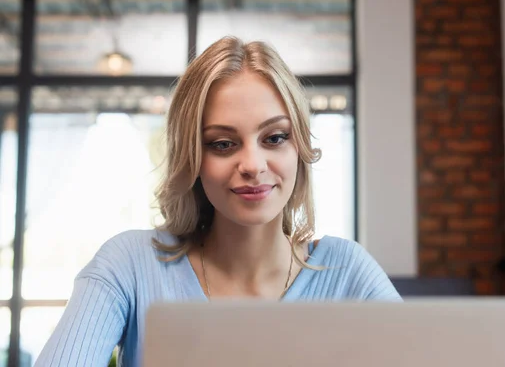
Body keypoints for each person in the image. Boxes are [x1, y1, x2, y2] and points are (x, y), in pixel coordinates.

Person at [35, 37, 401, 367]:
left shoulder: (347, 273)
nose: (254, 166)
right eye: (223, 144)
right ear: (192, 159)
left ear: (299, 148)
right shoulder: (129, 266)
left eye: (274, 137)